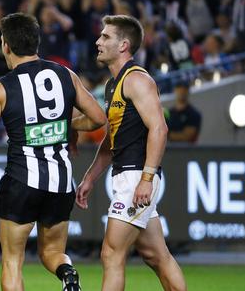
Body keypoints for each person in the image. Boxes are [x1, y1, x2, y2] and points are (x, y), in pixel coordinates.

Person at [0, 13, 106, 291]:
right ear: (36, 42)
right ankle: (68, 273)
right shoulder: (65, 74)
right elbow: (98, 118)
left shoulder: (3, 86)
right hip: (61, 181)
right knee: (51, 252)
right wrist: (64, 126)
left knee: (12, 261)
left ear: (6, 45)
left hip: (21, 181)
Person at [75, 15, 187, 291]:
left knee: (111, 253)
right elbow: (113, 139)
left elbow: (159, 129)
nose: (98, 41)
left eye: (106, 37)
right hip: (130, 175)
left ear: (124, 45)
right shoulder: (115, 83)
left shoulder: (137, 79)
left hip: (136, 176)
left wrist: (146, 179)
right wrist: (90, 178)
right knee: (156, 256)